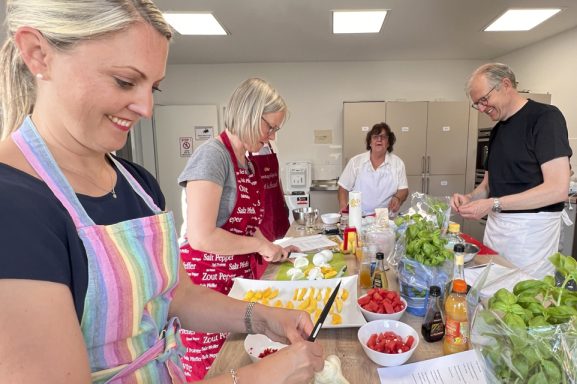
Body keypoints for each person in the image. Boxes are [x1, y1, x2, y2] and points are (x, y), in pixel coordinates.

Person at [0, 1, 323, 383]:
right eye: (124, 81)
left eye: (153, 87)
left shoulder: (139, 184)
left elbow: (177, 295)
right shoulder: (13, 204)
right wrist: (255, 377)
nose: (146, 108)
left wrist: (262, 316)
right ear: (39, 55)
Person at [177, 78, 298, 380]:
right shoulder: (213, 156)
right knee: (214, 371)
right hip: (206, 288)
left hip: (237, 285)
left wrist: (272, 246)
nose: (271, 137)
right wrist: (259, 247)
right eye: (269, 127)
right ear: (248, 113)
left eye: (276, 131)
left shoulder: (249, 163)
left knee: (238, 366)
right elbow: (201, 236)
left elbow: (249, 228)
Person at [451, 63, 572, 277]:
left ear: (505, 85)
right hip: (498, 227)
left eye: (483, 100)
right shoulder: (497, 130)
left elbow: (557, 189)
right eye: (476, 104)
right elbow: (488, 185)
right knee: (491, 292)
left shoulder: (545, 118)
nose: (481, 108)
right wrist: (470, 197)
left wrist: (493, 203)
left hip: (532, 234)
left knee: (524, 296)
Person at [338, 122, 409, 216]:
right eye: (375, 137)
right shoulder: (356, 162)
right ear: (370, 142)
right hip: (358, 217)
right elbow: (343, 188)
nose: (379, 140)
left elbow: (403, 189)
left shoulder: (398, 163)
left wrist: (398, 198)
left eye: (383, 137)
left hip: (384, 219)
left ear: (388, 143)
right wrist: (343, 209)